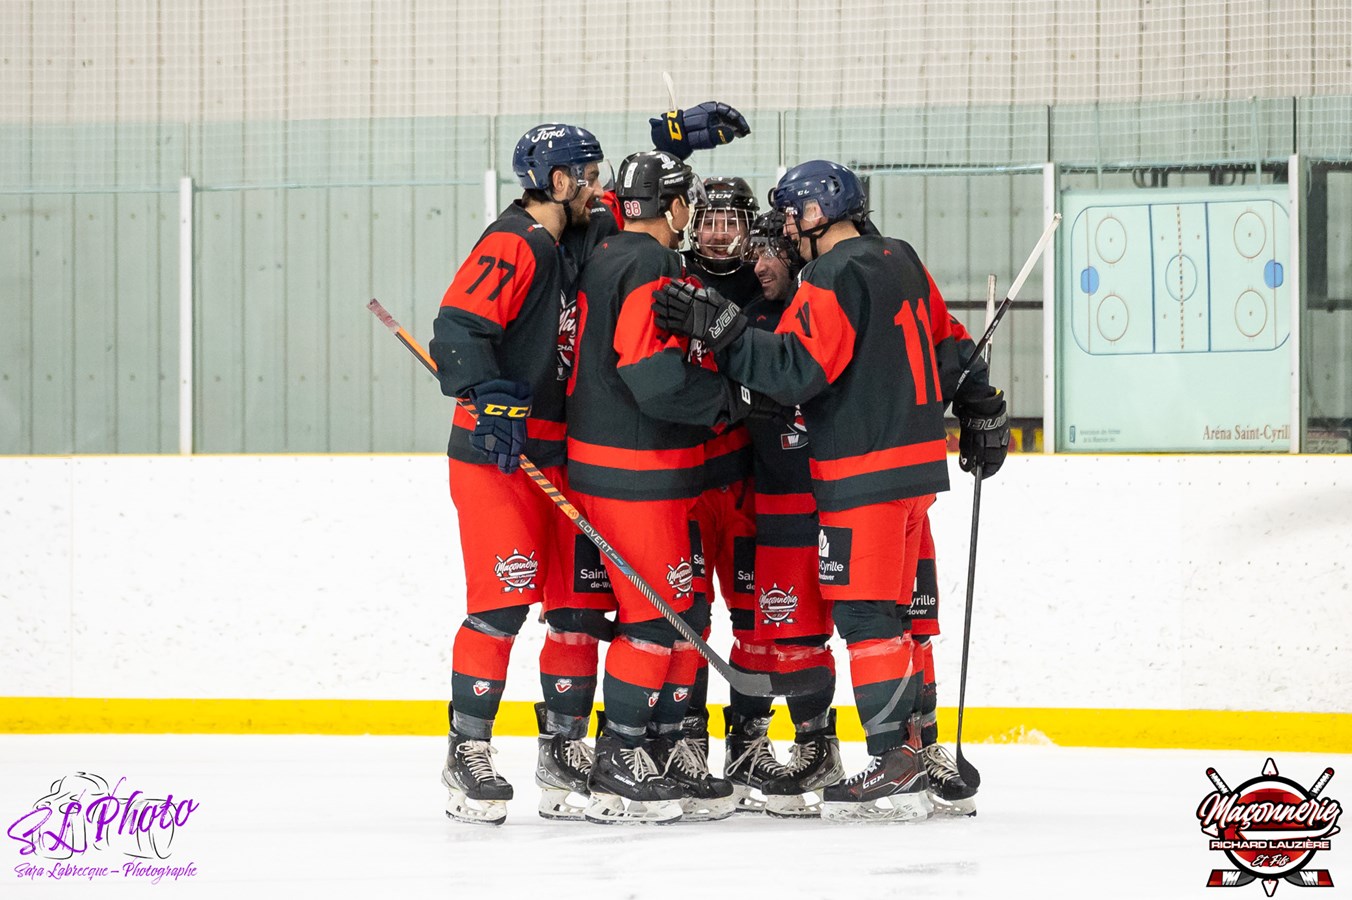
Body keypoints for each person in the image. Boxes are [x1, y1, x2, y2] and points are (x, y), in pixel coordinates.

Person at [653, 159, 1009, 822]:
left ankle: (891, 763)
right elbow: (951, 344)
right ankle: (914, 749)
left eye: (791, 215)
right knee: (901, 616)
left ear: (813, 215)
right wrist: (983, 402)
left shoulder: (829, 274)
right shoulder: (899, 256)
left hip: (860, 469)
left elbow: (795, 372)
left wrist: (722, 330)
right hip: (914, 469)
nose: (786, 227)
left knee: (867, 617)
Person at [428, 123, 610, 826]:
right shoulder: (517, 241)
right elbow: (458, 326)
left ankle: (563, 751)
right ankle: (466, 751)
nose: (596, 188)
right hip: (497, 456)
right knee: (501, 604)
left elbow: (630, 205)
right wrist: (487, 389)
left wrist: (677, 150)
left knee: (575, 610)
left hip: (559, 453)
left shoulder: (563, 239)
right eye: (587, 176)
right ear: (558, 183)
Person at [565, 149, 748, 824]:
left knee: (672, 607)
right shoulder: (647, 262)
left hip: (609, 459)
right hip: (634, 466)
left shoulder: (609, 251)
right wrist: (727, 401)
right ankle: (618, 760)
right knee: (656, 614)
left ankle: (662, 749)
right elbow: (646, 367)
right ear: (672, 206)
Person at [725, 210, 844, 817]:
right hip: (769, 500)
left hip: (829, 494)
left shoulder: (827, 305)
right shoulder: (747, 319)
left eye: (776, 251)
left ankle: (820, 746)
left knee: (815, 632)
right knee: (770, 629)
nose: (763, 263)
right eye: (758, 252)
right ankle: (755, 748)